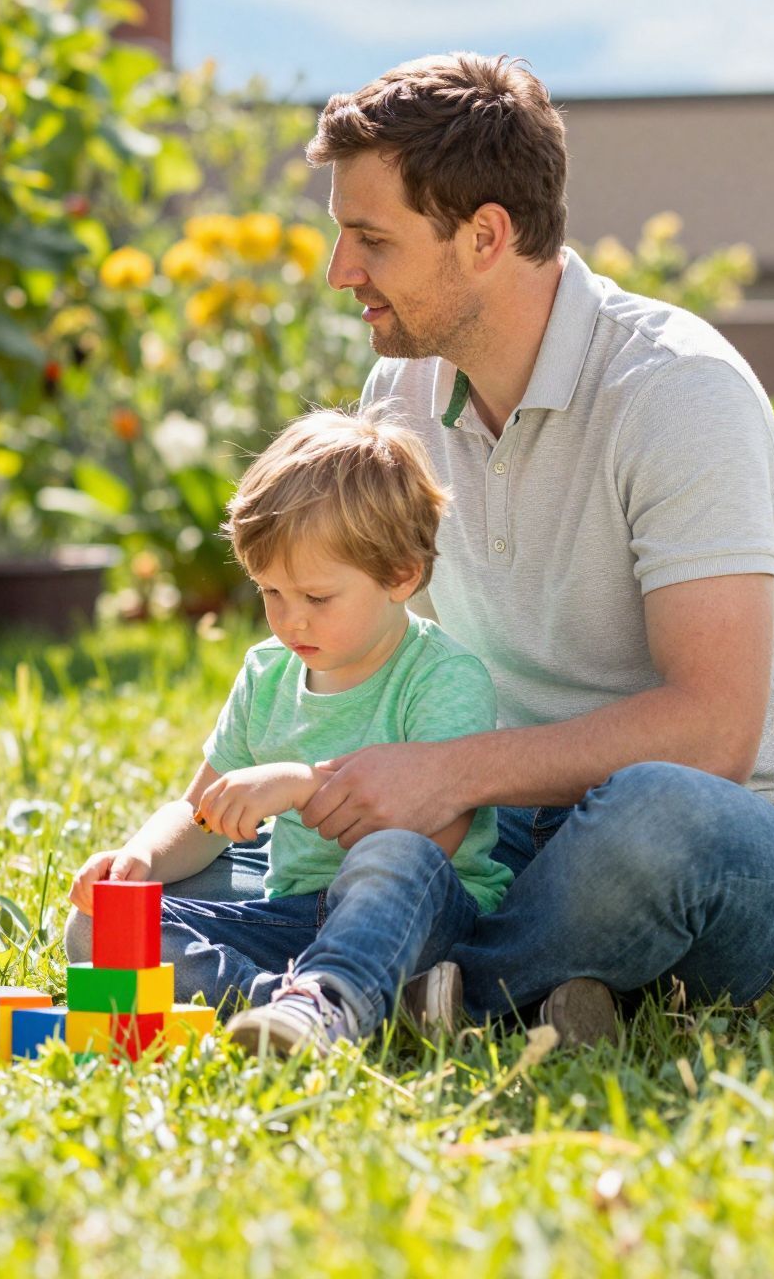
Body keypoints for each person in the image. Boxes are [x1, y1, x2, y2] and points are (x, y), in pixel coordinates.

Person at [270, 53, 774, 1039]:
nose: (339, 271)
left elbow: (712, 733)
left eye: (370, 240)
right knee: (238, 869)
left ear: (484, 236)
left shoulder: (674, 390)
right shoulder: (400, 398)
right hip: (507, 829)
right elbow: (387, 656)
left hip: (732, 840)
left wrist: (449, 774)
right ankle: (522, 987)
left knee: (651, 820)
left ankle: (378, 981)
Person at [68, 410, 522, 1055]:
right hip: (296, 916)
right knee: (96, 929)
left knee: (395, 860)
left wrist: (299, 785)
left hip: (421, 920)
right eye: (270, 592)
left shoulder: (443, 677)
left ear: (401, 575)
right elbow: (200, 816)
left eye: (316, 598)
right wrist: (140, 859)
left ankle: (338, 999)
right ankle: (293, 1005)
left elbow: (429, 843)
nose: (289, 620)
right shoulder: (267, 672)